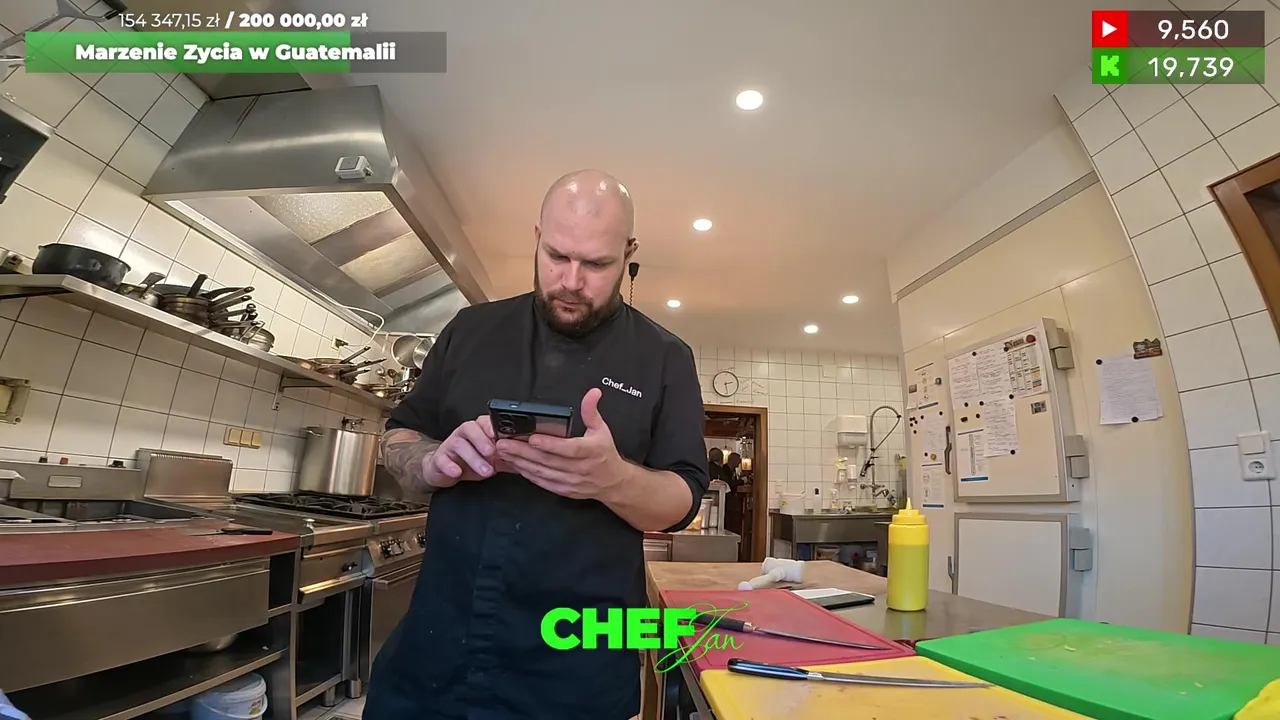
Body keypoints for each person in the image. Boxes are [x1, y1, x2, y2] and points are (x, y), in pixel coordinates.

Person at [367, 169, 710, 720]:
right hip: (436, 654)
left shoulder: (666, 357)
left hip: (575, 668)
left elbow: (682, 500)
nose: (571, 280)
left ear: (629, 254)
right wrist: (433, 461)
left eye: (596, 264)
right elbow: (398, 437)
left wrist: (612, 480)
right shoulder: (469, 330)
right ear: (537, 237)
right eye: (556, 256)